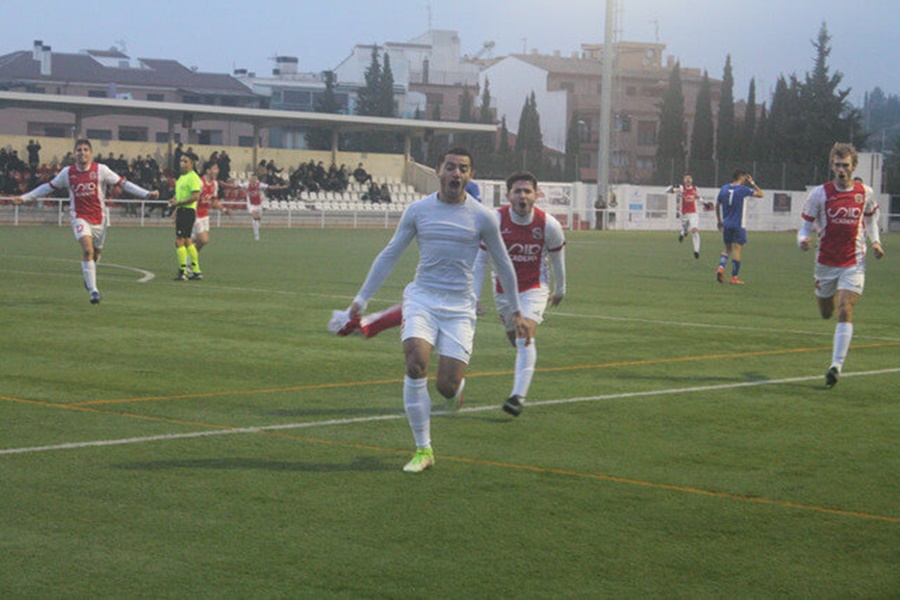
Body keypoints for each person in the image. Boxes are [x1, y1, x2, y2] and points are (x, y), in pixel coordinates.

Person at [345, 147, 527, 473]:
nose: (456, 174)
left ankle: (456, 389)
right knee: (416, 364)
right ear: (438, 171)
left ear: (470, 175)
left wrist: (517, 311)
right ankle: (423, 449)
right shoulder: (418, 211)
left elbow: (503, 264)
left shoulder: (483, 217)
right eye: (450, 167)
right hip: (422, 299)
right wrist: (361, 299)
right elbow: (390, 254)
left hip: (459, 308)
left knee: (446, 385)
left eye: (463, 169)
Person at [13, 138, 158, 303]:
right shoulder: (67, 172)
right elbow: (47, 187)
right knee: (87, 250)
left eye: (85, 149)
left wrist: (146, 194)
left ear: (91, 153)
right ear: (74, 154)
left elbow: (123, 184)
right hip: (80, 217)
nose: (82, 152)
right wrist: (24, 198)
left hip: (100, 218)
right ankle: (93, 291)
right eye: (79, 150)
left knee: (95, 254)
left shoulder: (101, 170)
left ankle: (88, 274)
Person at [474, 171, 566, 417]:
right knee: (514, 339)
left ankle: (517, 397)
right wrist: (474, 295)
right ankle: (522, 365)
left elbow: (557, 259)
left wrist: (561, 289)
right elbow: (481, 260)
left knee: (525, 334)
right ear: (508, 196)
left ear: (537, 195)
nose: (522, 195)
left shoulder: (549, 225)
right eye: (518, 191)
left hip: (535, 287)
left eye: (527, 191)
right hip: (503, 290)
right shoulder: (494, 220)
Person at [797, 142, 885, 388]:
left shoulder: (864, 192)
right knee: (827, 312)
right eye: (837, 165)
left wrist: (875, 242)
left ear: (854, 166)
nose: (841, 170)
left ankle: (836, 366)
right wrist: (802, 240)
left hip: (853, 261)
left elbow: (870, 220)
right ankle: (828, 299)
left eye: (845, 165)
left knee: (845, 308)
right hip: (825, 262)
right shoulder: (819, 194)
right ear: (831, 166)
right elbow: (805, 226)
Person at [715, 168, 763, 284]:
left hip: (726, 223)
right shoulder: (743, 189)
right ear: (742, 177)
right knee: (737, 249)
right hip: (738, 224)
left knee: (727, 248)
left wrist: (719, 220)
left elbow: (717, 205)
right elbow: (761, 194)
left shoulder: (724, 188)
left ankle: (721, 268)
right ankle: (734, 278)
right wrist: (752, 183)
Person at [169, 151, 203, 280]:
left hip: (187, 211)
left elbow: (195, 196)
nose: (182, 163)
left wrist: (179, 203)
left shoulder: (193, 177)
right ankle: (196, 270)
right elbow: (180, 195)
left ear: (192, 163)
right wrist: (174, 202)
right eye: (181, 161)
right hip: (182, 211)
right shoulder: (182, 177)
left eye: (185, 161)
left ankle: (182, 271)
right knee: (188, 240)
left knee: (179, 241)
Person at [223, 174, 287, 241]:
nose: (252, 180)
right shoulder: (247, 185)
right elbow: (236, 186)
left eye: (254, 178)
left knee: (256, 222)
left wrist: (281, 187)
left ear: (256, 179)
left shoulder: (260, 185)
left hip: (259, 205)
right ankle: (256, 234)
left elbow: (270, 187)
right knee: (255, 216)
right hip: (251, 205)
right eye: (251, 178)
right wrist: (225, 184)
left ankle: (256, 233)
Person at [191, 161, 231, 258]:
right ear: (208, 171)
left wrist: (224, 209)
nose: (217, 171)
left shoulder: (215, 184)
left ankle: (189, 262)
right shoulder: (200, 183)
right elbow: (191, 199)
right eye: (215, 168)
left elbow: (213, 201)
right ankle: (188, 244)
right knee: (204, 239)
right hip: (195, 215)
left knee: (201, 242)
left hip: (205, 215)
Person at [667, 174, 709, 259]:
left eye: (689, 178)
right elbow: (669, 191)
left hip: (693, 213)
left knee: (694, 230)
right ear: (684, 180)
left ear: (692, 180)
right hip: (684, 214)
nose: (688, 179)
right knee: (686, 231)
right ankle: (683, 233)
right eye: (686, 178)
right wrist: (671, 189)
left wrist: (705, 203)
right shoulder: (682, 189)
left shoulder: (695, 189)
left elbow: (699, 197)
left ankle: (696, 251)